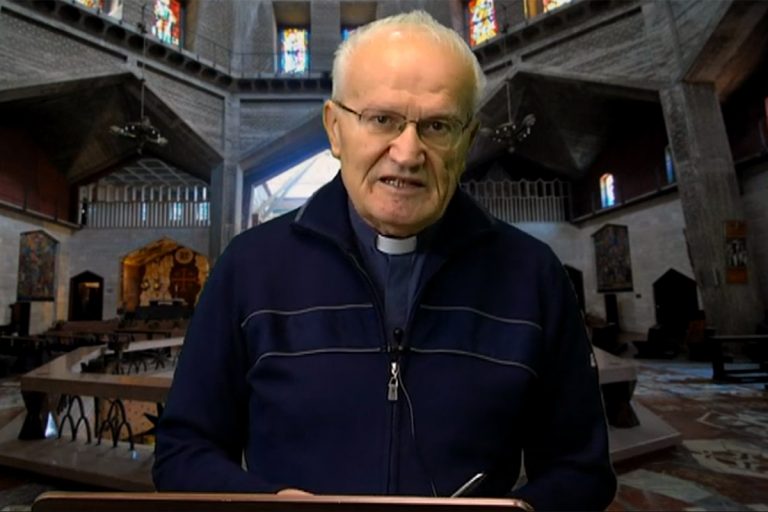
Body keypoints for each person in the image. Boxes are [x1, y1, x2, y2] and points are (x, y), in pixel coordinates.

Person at [153, 10, 617, 511]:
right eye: (381, 120)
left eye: (438, 125)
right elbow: (183, 451)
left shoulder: (533, 274)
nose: (408, 152)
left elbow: (582, 471)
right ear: (335, 129)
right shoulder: (249, 268)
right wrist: (271, 503)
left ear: (467, 141)